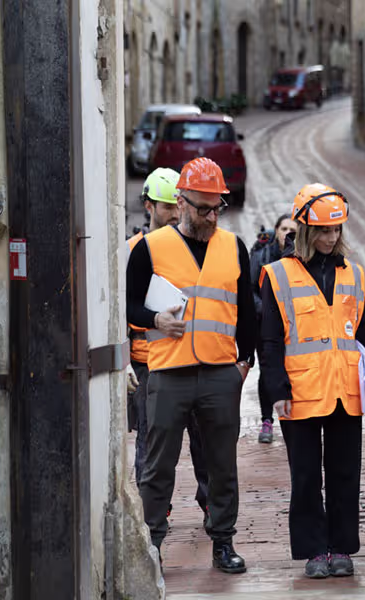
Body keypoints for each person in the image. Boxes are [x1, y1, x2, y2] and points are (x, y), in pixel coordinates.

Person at [126, 157, 256, 573]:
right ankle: (152, 546)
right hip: (168, 372)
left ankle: (223, 541)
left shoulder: (233, 246)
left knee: (221, 464)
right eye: (203, 208)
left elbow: (248, 312)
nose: (212, 215)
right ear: (180, 203)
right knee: (159, 465)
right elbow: (127, 305)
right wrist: (155, 320)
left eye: (218, 206)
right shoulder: (151, 248)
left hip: (221, 373)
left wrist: (244, 362)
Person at [258, 183, 365, 579]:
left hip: (346, 392)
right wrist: (275, 389)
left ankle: (342, 547)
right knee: (306, 476)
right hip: (300, 392)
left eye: (337, 230)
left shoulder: (355, 274)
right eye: (324, 231)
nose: (331, 238)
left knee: (344, 473)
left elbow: (363, 335)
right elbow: (270, 340)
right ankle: (313, 550)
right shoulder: (277, 275)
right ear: (305, 231)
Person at [126, 168, 209, 526]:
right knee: (153, 444)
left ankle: (210, 505)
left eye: (178, 204)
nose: (175, 212)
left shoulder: (196, 248)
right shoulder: (132, 251)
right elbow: (119, 307)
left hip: (195, 359)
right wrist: (123, 360)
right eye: (166, 206)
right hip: (148, 363)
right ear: (148, 206)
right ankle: (153, 514)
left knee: (205, 443)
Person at [250, 214, 298, 443]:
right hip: (264, 323)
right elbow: (249, 290)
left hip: (294, 325)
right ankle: (267, 420)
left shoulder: (301, 257)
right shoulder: (261, 255)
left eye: (293, 229)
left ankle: (294, 417)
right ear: (276, 230)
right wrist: (266, 310)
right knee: (268, 369)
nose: (288, 233)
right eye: (284, 228)